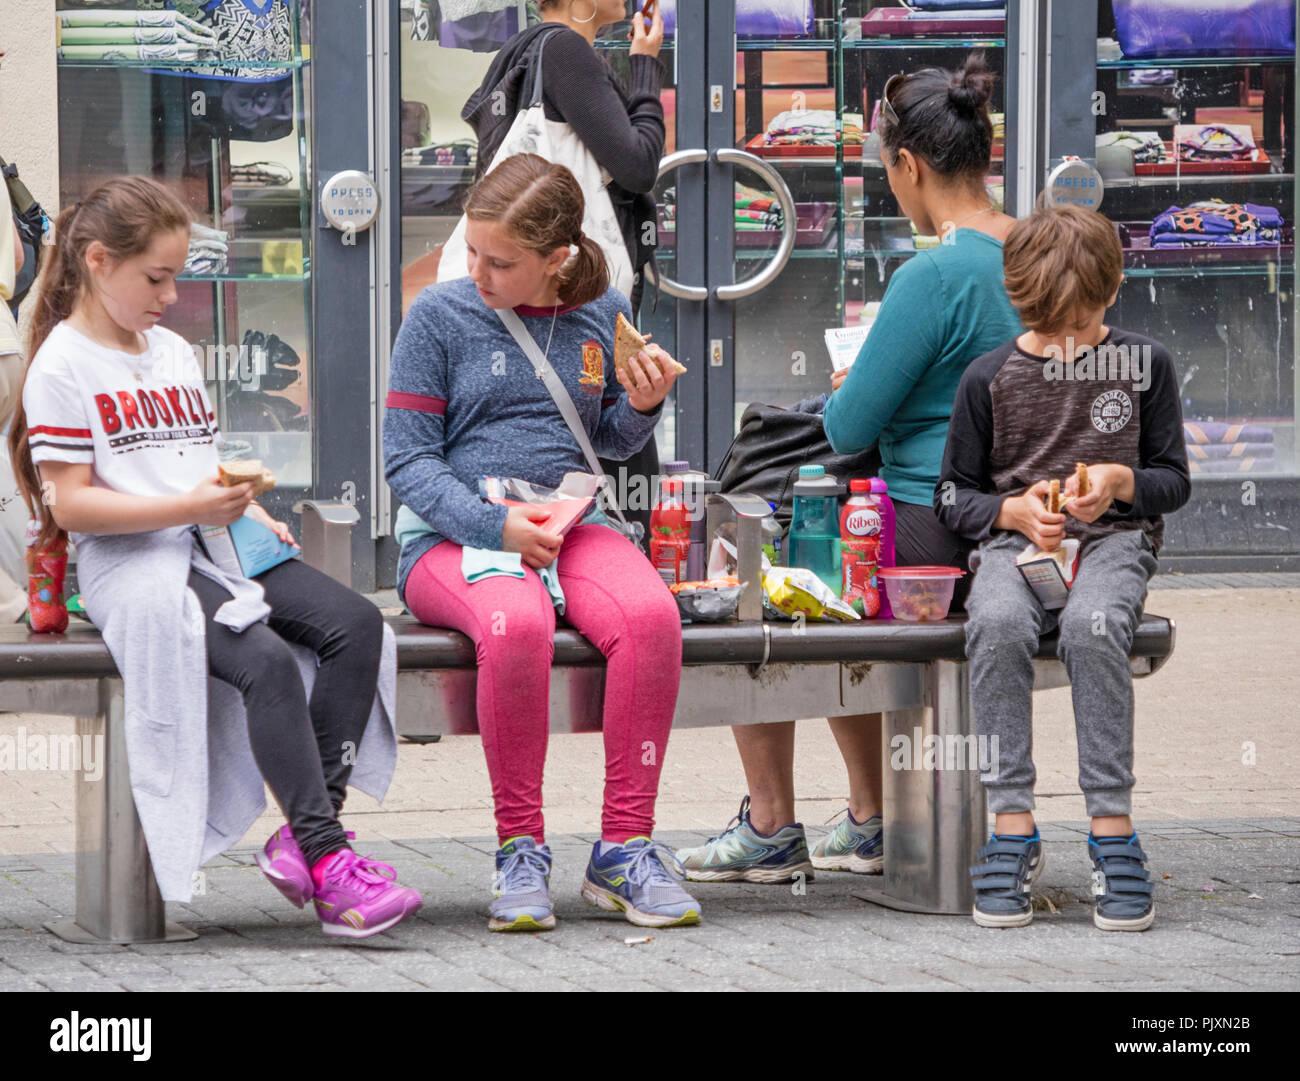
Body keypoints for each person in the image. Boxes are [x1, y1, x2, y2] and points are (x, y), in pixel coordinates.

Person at [11, 176, 421, 939]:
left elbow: (191, 460)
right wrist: (194, 509)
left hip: (214, 539)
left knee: (358, 624)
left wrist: (245, 501)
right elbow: (70, 505)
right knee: (263, 659)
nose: (170, 297)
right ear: (99, 261)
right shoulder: (60, 367)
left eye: (176, 278)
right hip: (134, 564)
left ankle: (307, 835)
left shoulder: (168, 351)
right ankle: (330, 866)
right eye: (157, 278)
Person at [678, 54, 1024, 884]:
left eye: (889, 172)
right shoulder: (1040, 248)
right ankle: (869, 815)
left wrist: (862, 368)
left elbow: (849, 423)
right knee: (799, 531)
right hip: (1023, 520)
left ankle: (774, 821)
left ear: (909, 167)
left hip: (925, 527)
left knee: (748, 549)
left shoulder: (933, 275)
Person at [384, 152, 700, 933]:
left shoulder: (601, 312)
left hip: (567, 524)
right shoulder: (439, 316)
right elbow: (407, 460)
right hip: (452, 536)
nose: (478, 270)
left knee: (652, 616)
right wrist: (495, 527)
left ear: (557, 259)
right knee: (515, 624)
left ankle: (625, 848)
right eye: (473, 253)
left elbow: (608, 442)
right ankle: (519, 846)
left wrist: (644, 405)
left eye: (501, 261)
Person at [936, 204, 1190, 930]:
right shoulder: (987, 378)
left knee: (1092, 623)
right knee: (994, 620)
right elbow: (954, 493)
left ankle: (1113, 829)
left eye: (1078, 326)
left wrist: (1120, 481)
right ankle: (1011, 823)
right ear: (1020, 303)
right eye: (1049, 329)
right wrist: (1009, 513)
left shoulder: (1147, 365)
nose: (1066, 344)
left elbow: (1174, 477)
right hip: (1019, 546)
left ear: (1110, 295)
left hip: (1113, 541)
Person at [457, 0, 668, 540]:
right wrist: (646, 64)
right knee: (608, 445)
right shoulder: (566, 50)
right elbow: (638, 165)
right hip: (570, 294)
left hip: (540, 296)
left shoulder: (526, 51)